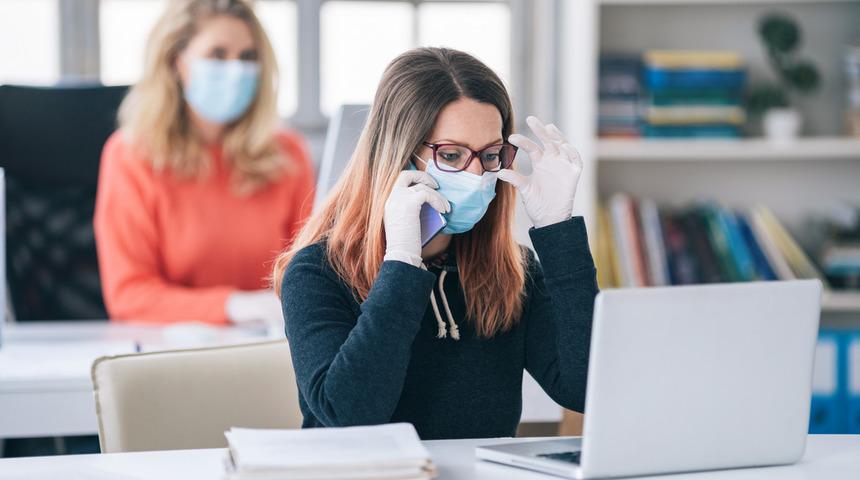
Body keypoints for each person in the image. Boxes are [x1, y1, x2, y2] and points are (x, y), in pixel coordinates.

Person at [273, 47, 597, 440]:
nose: (478, 174)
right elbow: (350, 418)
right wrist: (403, 264)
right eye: (453, 154)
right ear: (399, 156)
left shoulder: (514, 271)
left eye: (491, 155)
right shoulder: (317, 271)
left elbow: (586, 390)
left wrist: (558, 231)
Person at [95, 0, 314, 326]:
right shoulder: (130, 156)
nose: (236, 69)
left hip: (269, 348)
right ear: (175, 62)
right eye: (218, 54)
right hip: (171, 354)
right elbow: (129, 294)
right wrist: (233, 307)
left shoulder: (288, 154)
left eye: (248, 57)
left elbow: (309, 269)